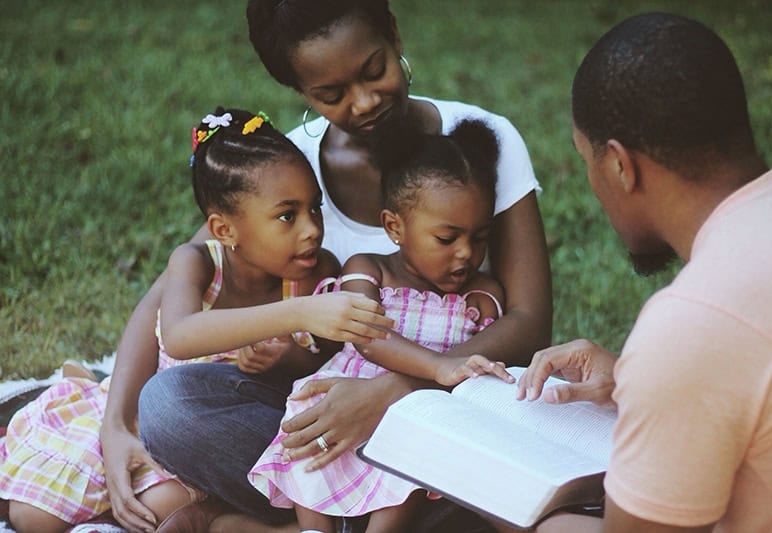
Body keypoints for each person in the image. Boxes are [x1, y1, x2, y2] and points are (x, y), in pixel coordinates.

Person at [112, 1, 552, 531]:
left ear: (392, 34)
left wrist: (400, 392)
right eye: (331, 94)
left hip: (455, 397)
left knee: (505, 458)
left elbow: (528, 323)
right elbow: (170, 294)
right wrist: (115, 424)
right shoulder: (287, 171)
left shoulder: (477, 142)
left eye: (374, 71)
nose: (365, 102)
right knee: (169, 405)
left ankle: (293, 518)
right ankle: (325, 510)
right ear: (300, 90)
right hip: (320, 409)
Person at [0, 107, 393, 533]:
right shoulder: (197, 262)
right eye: (287, 215)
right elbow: (180, 336)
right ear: (224, 230)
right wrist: (298, 313)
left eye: (314, 208)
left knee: (161, 505)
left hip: (214, 432)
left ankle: (167, 516)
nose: (312, 229)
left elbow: (318, 366)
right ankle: (106, 508)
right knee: (32, 516)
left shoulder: (315, 274)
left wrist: (286, 358)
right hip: (145, 411)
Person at [515, 12, 772, 532]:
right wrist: (628, 378)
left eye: (587, 161)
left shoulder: (692, 324)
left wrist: (531, 516)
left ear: (621, 166)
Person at [249, 119, 516, 533]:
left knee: (410, 450)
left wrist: (441, 376)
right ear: (395, 227)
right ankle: (313, 527)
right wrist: (439, 365)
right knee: (305, 406)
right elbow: (369, 338)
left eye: (479, 238)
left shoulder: (482, 294)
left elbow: (490, 357)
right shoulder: (368, 270)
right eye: (447, 239)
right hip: (350, 391)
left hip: (422, 410)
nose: (466, 253)